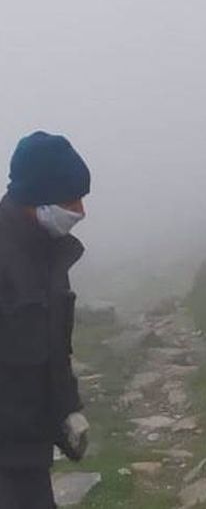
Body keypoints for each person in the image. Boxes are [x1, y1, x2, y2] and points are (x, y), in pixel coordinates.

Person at [0, 132, 92, 509]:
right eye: (71, 200)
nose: (80, 211)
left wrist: (67, 408)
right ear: (38, 197)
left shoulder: (48, 254)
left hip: (30, 448)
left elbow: (53, 346)